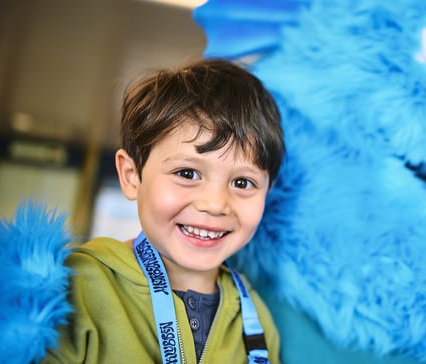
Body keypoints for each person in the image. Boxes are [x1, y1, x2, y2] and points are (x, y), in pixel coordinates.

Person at [44, 58, 285, 363]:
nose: (214, 204)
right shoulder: (77, 287)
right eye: (187, 174)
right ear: (132, 176)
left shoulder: (258, 321)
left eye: (242, 182)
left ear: (268, 192)